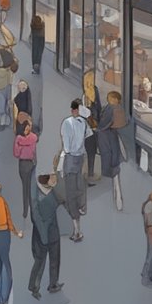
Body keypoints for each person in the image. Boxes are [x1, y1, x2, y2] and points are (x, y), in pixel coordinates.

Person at [59, 100, 90, 241]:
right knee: (79, 187)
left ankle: (76, 230)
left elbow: (66, 144)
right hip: (81, 157)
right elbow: (88, 135)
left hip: (70, 158)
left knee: (70, 192)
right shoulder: (84, 123)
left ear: (73, 110)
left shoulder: (67, 123)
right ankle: (82, 208)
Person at [28, 174, 63, 299]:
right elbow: (36, 217)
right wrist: (43, 236)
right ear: (46, 180)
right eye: (52, 178)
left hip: (53, 231)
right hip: (42, 233)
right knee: (40, 261)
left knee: (55, 258)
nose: (55, 179)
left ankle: (53, 283)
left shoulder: (51, 191)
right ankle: (34, 287)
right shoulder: (37, 195)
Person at [96, 89, 128, 211]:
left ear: (114, 99)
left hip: (106, 137)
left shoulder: (110, 109)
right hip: (114, 137)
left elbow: (103, 124)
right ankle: (117, 193)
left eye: (110, 98)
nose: (108, 99)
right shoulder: (120, 109)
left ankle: (115, 189)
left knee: (108, 157)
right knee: (115, 160)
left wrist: (97, 129)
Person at [14, 120, 38, 220]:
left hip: (25, 164)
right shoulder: (33, 137)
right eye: (26, 128)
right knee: (29, 187)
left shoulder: (19, 139)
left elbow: (16, 153)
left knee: (26, 188)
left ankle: (26, 210)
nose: (28, 130)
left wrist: (21, 146)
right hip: (29, 164)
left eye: (29, 128)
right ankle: (31, 209)